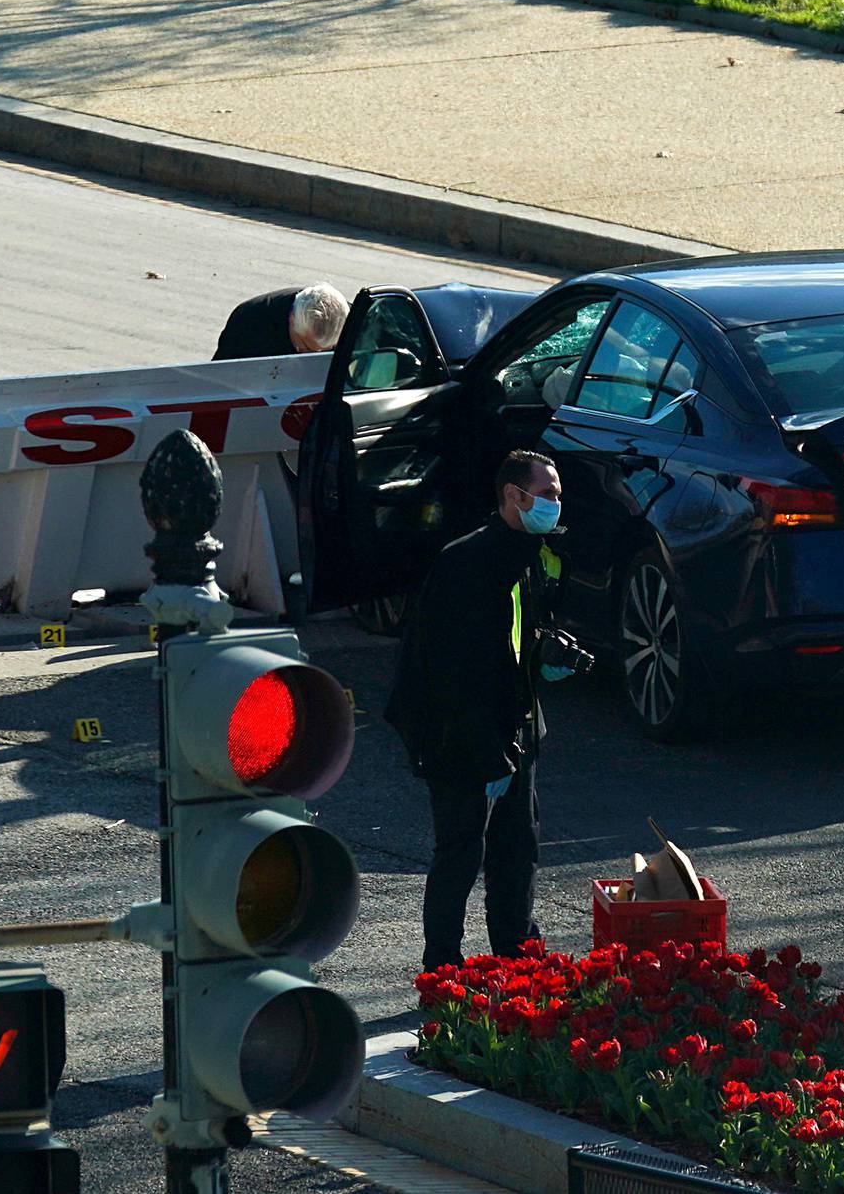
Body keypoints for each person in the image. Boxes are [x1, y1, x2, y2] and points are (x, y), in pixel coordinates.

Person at [384, 450, 578, 972]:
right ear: (514, 497)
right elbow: (452, 675)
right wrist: (486, 753)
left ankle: (519, 961)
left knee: (517, 853)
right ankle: (442, 971)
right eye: (549, 493)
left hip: (514, 725)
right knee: (461, 855)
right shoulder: (467, 564)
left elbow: (517, 639)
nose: (557, 503)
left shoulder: (534, 554)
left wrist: (551, 656)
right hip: (458, 733)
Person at [212, 282, 350, 360]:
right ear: (292, 319)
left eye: (326, 351)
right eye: (305, 349)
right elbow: (220, 379)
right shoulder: (247, 324)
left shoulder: (356, 325)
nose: (312, 358)